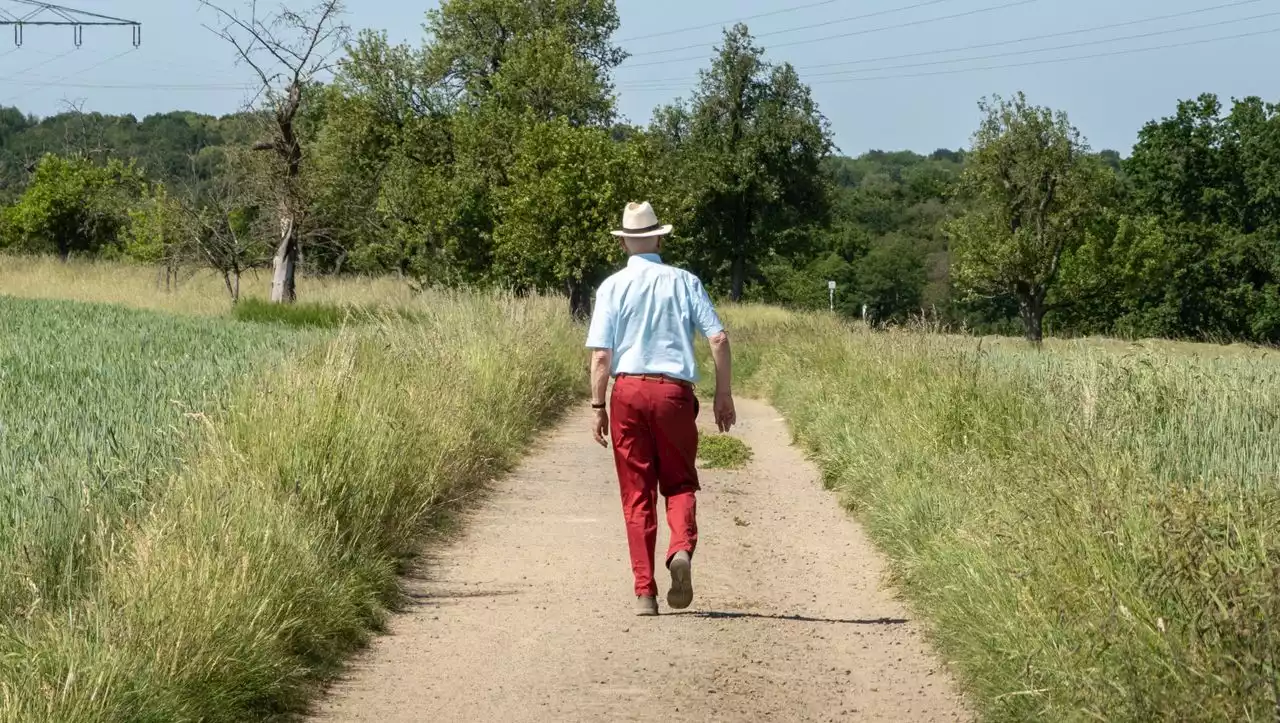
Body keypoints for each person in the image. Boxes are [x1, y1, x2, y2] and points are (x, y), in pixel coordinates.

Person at [585, 201, 736, 617]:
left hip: (628, 392)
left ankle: (644, 593)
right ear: (658, 237)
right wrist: (724, 395)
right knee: (680, 482)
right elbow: (719, 339)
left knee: (637, 495)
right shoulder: (685, 282)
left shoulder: (612, 287)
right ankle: (681, 550)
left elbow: (601, 356)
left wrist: (599, 406)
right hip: (674, 393)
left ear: (624, 243)